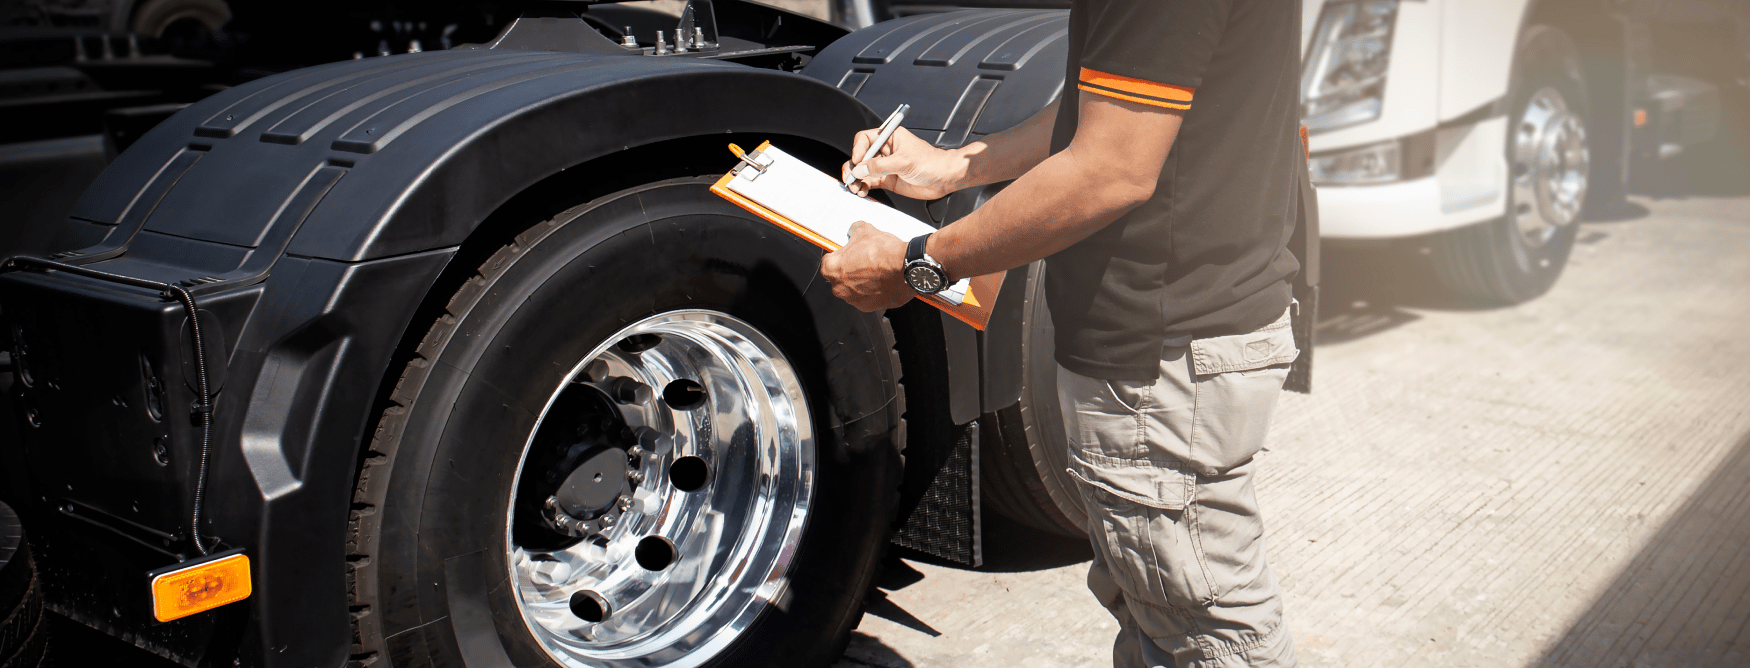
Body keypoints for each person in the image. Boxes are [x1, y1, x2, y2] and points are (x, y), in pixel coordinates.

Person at [818, 1, 1306, 666]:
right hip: (1177, 348)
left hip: (1161, 362)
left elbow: (1110, 167)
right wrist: (954, 167)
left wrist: (918, 266)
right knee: (1156, 612)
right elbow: (1104, 106)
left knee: (1207, 638)